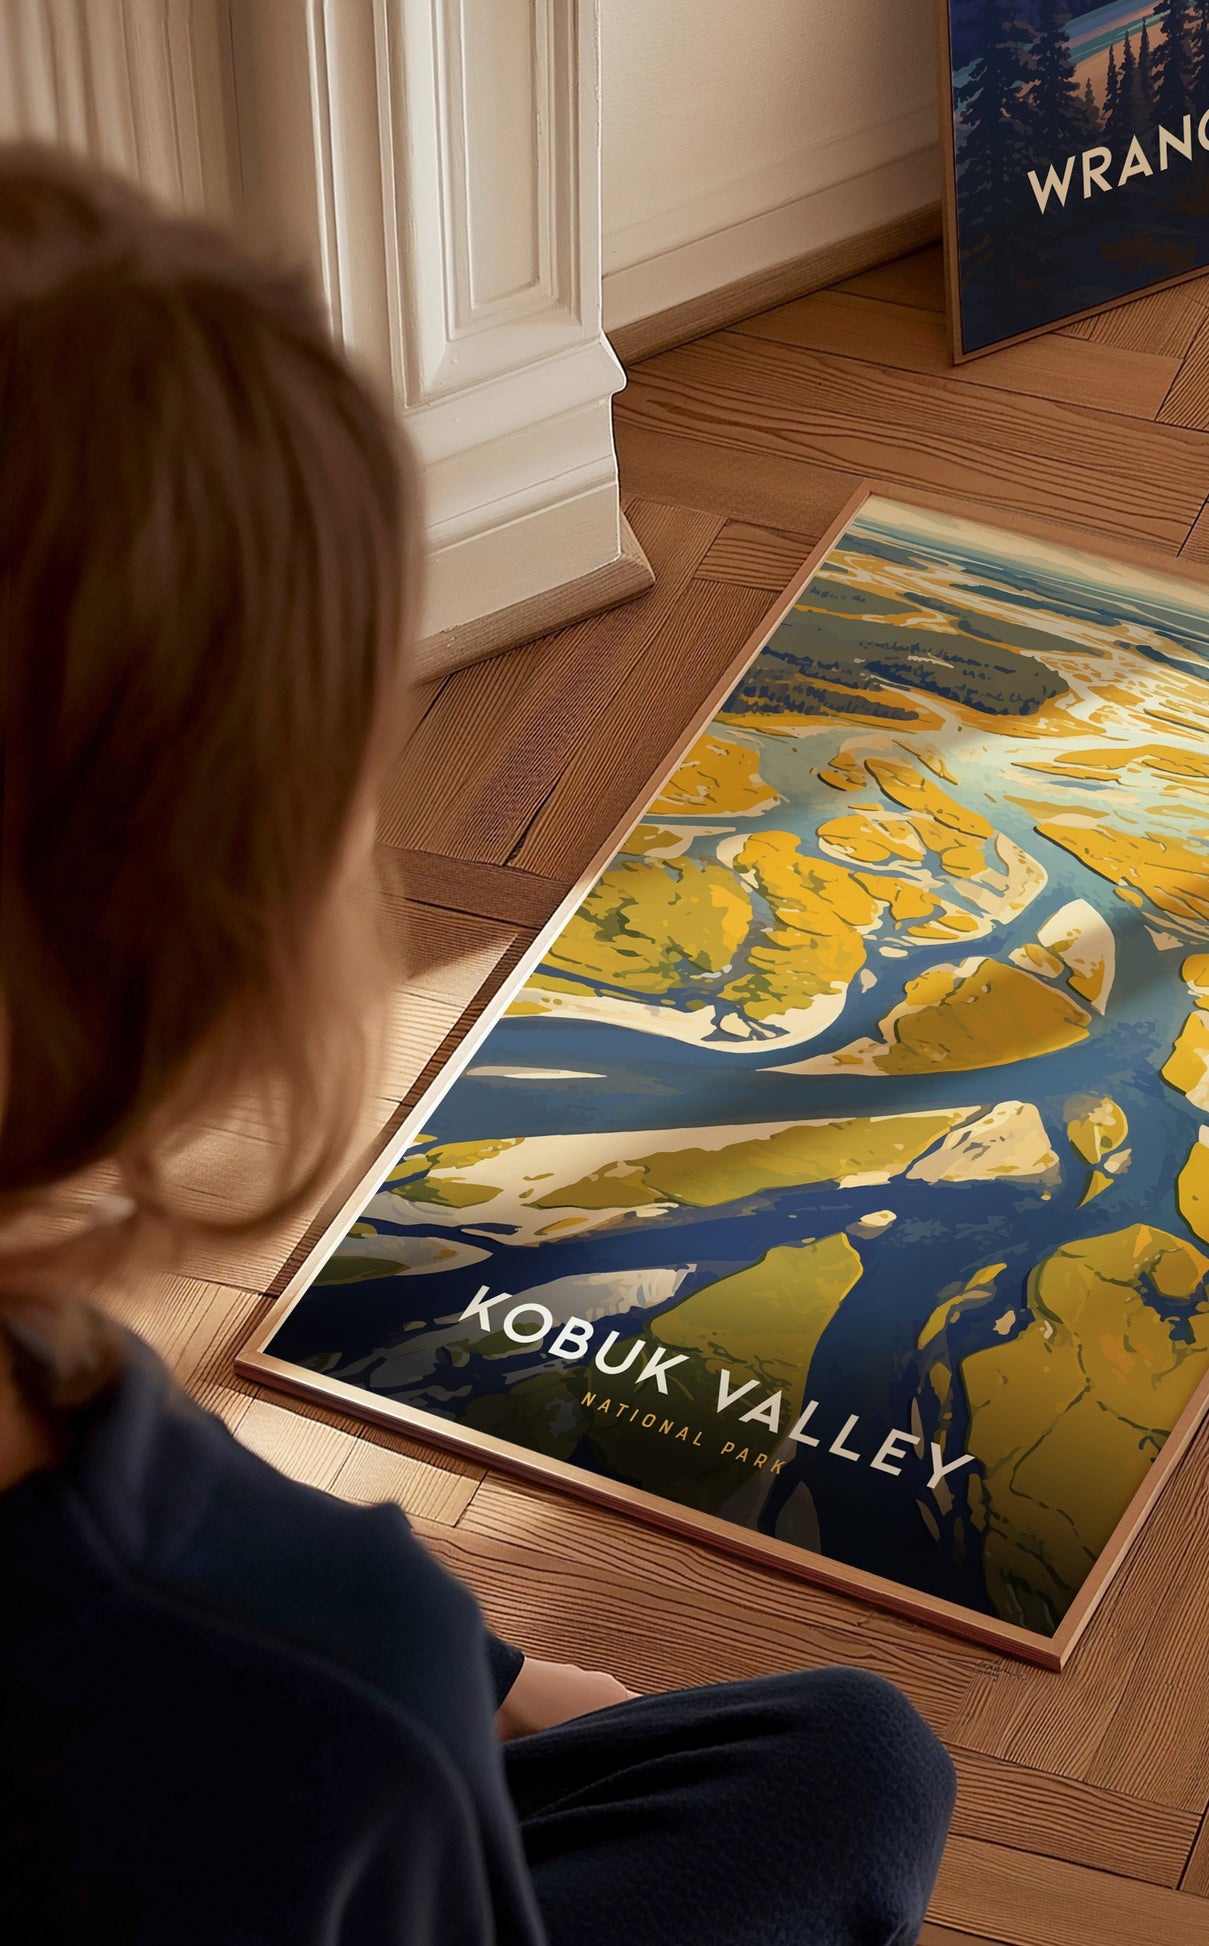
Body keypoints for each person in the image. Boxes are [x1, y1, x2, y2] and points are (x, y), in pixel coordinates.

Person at [0, 146, 956, 1944]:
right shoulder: (313, 1702)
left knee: (829, 1761)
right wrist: (431, 1687)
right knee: (853, 1769)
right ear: (211, 927)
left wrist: (482, 1666)